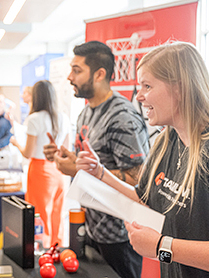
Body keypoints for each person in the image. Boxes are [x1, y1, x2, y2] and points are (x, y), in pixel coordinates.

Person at [77, 42, 209, 277]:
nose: (138, 96)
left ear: (180, 89)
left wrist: (162, 247)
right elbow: (146, 198)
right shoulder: (167, 141)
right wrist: (100, 173)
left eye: (147, 86)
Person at [43, 41, 149, 278]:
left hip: (120, 237)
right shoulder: (86, 112)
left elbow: (139, 179)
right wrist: (67, 157)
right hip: (90, 228)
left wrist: (78, 170)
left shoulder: (123, 116)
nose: (70, 77)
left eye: (77, 70)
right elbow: (91, 160)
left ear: (100, 74)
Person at [10, 80, 70, 248]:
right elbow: (66, 149)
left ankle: (41, 250)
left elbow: (28, 153)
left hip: (39, 170)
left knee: (39, 214)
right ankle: (56, 247)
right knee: (57, 212)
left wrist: (16, 143)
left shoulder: (34, 119)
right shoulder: (63, 117)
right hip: (59, 170)